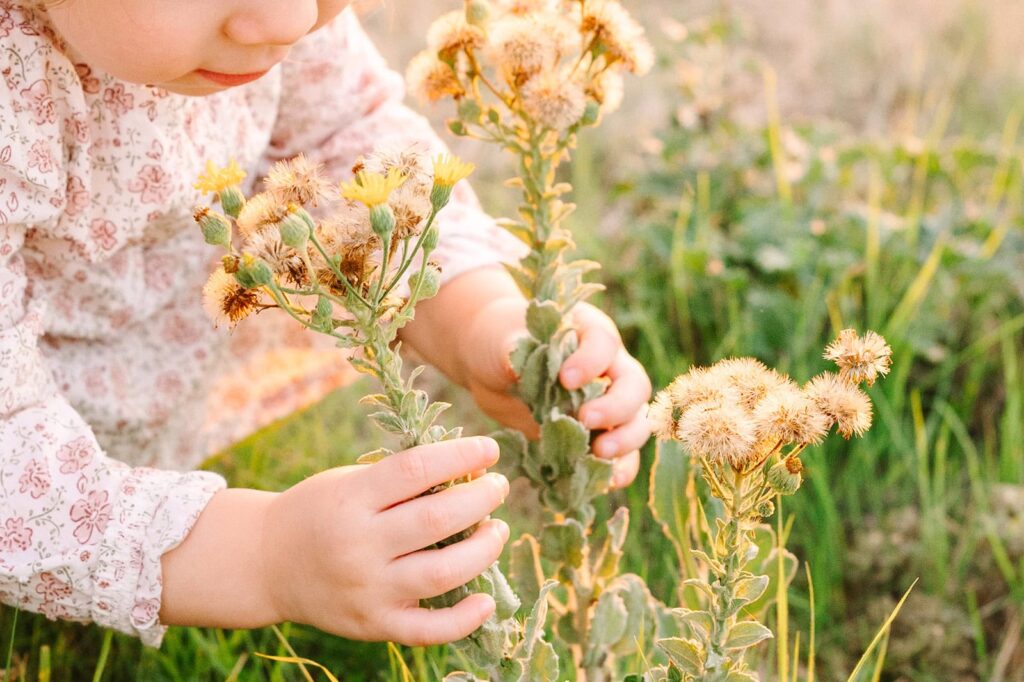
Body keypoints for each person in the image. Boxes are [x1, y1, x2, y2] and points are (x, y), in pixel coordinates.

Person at [0, 0, 652, 650]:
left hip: (146, 383)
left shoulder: (270, 23)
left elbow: (347, 145)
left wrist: (479, 317)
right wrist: (264, 556)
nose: (290, 19)